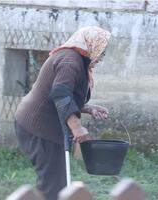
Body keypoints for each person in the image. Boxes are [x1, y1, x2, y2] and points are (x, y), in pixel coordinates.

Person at [14, 26, 111, 200]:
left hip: (45, 125)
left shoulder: (78, 61)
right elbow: (60, 94)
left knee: (57, 180)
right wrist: (77, 127)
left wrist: (89, 108)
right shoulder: (70, 61)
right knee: (54, 183)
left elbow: (61, 95)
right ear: (91, 43)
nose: (103, 55)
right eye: (102, 49)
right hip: (38, 126)